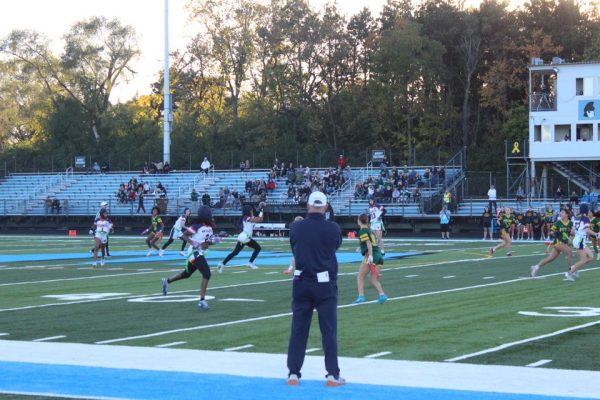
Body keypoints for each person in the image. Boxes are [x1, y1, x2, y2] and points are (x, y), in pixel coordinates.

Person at [286, 191, 345, 387]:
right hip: (324, 283)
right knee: (328, 330)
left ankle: (293, 373)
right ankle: (332, 374)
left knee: (298, 330)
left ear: (308, 206)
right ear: (326, 207)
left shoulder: (296, 227)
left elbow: (295, 247)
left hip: (301, 281)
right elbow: (334, 246)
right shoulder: (332, 228)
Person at [161, 206, 220, 310]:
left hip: (200, 252)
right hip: (194, 252)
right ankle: (202, 301)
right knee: (207, 273)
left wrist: (214, 241)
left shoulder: (209, 228)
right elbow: (183, 235)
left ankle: (167, 281)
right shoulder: (197, 226)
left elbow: (206, 244)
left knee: (186, 274)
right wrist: (193, 242)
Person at [352, 213, 388, 304]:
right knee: (373, 280)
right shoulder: (370, 230)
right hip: (379, 255)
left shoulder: (363, 231)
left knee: (360, 276)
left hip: (371, 255)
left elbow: (368, 243)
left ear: (359, 220)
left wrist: (370, 256)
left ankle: (361, 296)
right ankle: (382, 295)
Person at [217, 203, 264, 272]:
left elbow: (260, 220)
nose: (252, 211)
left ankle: (222, 264)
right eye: (251, 210)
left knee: (235, 252)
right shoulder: (246, 217)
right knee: (257, 248)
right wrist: (260, 211)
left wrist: (262, 210)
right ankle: (250, 263)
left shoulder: (251, 217)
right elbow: (257, 220)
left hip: (245, 237)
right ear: (248, 210)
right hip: (245, 237)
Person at [531, 208, 573, 277]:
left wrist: (571, 237)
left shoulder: (570, 223)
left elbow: (571, 233)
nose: (561, 214)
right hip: (558, 242)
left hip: (564, 243)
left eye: (562, 212)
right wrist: (554, 233)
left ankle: (536, 267)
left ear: (567, 214)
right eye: (561, 212)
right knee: (569, 252)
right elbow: (551, 232)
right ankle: (571, 271)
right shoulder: (558, 223)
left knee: (550, 259)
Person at [565, 204, 597, 281]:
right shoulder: (585, 218)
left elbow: (572, 231)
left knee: (590, 257)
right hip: (579, 240)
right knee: (584, 259)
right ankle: (570, 273)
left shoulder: (576, 217)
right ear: (586, 210)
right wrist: (596, 234)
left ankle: (574, 268)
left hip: (579, 239)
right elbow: (587, 230)